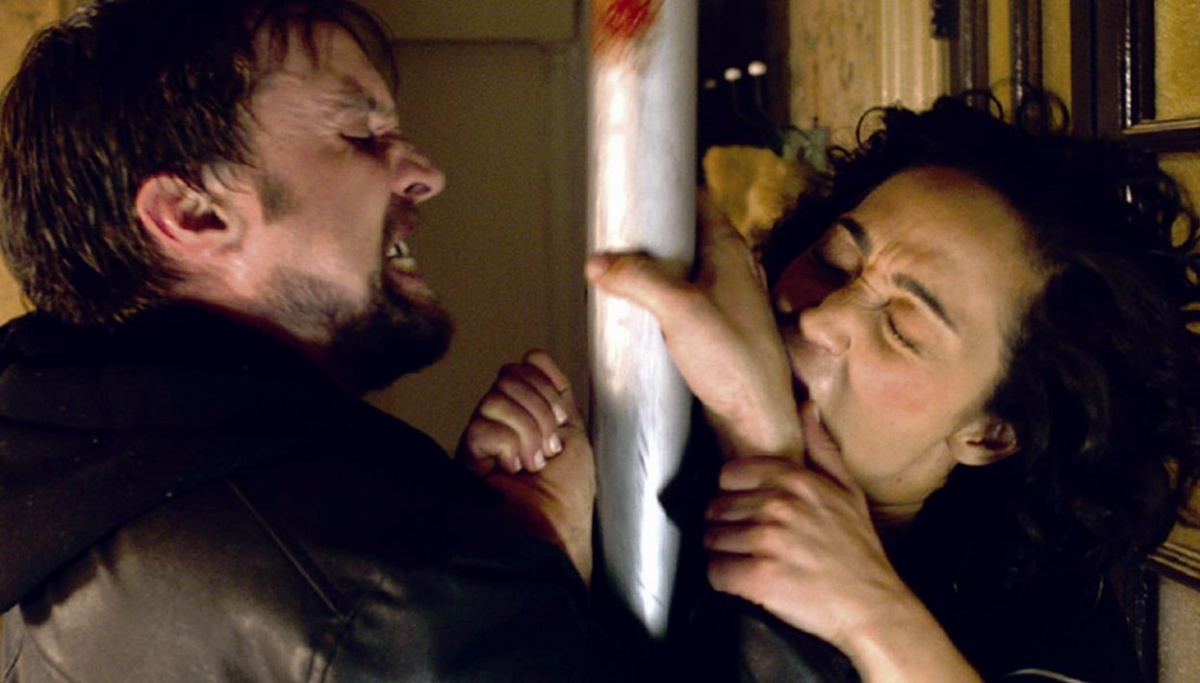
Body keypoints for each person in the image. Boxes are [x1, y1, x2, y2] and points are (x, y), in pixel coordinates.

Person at [0, 1, 631, 680]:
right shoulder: (386, 596)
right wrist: (539, 556)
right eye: (360, 133)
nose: (427, 174)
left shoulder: (44, 497)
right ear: (193, 212)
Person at [587, 95, 1200, 681]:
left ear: (990, 433)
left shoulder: (1049, 625)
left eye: (902, 329)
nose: (822, 318)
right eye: (832, 259)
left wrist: (867, 607)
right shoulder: (651, 440)